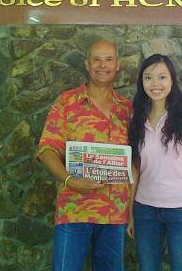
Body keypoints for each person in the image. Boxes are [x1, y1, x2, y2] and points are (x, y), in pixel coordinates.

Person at [36, 40, 132, 271]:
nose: (103, 65)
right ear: (87, 64)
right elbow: (47, 149)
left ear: (117, 65)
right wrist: (70, 180)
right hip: (74, 208)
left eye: (109, 59)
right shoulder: (66, 102)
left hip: (115, 213)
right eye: (96, 59)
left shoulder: (128, 109)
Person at [127, 54, 182, 271]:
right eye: (148, 77)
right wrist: (130, 213)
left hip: (181, 210)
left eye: (162, 77)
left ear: (172, 81)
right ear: (142, 82)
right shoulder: (136, 119)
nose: (155, 83)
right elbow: (135, 169)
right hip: (144, 210)